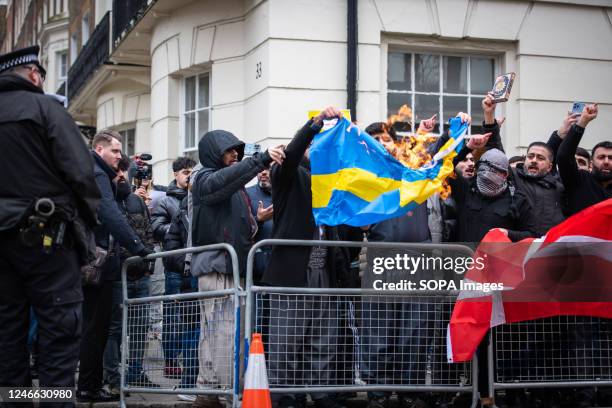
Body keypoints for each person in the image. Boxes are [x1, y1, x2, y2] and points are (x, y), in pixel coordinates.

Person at [0, 45, 100, 408]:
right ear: (33, 75)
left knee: (8, 339)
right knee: (58, 335)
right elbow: (81, 171)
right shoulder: (45, 110)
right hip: (46, 238)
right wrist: (86, 225)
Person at [261, 107, 349, 408]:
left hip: (323, 271)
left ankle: (321, 393)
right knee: (287, 340)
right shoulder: (288, 174)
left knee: (322, 339)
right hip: (292, 272)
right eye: (315, 146)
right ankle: (286, 395)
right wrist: (314, 125)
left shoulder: (331, 182)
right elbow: (294, 152)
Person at [190, 129, 284, 408]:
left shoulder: (233, 188)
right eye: (229, 151)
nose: (234, 155)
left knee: (217, 334)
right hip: (218, 268)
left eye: (236, 151)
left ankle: (209, 392)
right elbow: (223, 182)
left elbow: (235, 222)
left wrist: (255, 220)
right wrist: (261, 159)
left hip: (231, 269)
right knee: (222, 332)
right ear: (213, 154)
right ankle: (223, 392)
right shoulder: (203, 178)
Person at [77, 130, 153, 402]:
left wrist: (122, 175)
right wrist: (139, 247)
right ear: (99, 149)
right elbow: (109, 213)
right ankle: (88, 387)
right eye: (115, 152)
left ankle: (89, 385)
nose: (120, 157)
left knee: (95, 327)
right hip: (97, 263)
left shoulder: (99, 173)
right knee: (95, 328)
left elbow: (120, 196)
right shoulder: (97, 174)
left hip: (94, 261)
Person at [102, 155, 157, 394]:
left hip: (139, 276)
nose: (122, 175)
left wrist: (148, 265)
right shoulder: (105, 201)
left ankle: (135, 373)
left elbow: (147, 233)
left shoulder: (136, 201)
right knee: (114, 330)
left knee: (139, 327)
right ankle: (113, 379)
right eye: (118, 170)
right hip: (116, 276)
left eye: (126, 170)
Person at [151, 156, 195, 378]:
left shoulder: (198, 197)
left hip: (194, 266)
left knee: (192, 318)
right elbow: (156, 228)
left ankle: (189, 362)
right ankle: (170, 361)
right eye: (185, 172)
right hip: (175, 267)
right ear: (175, 175)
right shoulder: (166, 201)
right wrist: (178, 227)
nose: (189, 176)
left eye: (191, 172)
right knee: (173, 317)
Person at [557, 104, 611, 216]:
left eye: (611, 158)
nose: (606, 161)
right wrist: (583, 122)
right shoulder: (580, 179)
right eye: (601, 157)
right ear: (591, 163)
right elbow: (564, 157)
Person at [510, 142, 565, 237]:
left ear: (549, 167)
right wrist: (492, 128)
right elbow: (496, 161)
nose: (534, 160)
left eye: (540, 158)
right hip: (520, 245)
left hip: (550, 247)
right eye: (530, 156)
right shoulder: (514, 177)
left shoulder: (559, 189)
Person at [246, 167, 274, 282]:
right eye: (260, 169)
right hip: (258, 261)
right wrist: (259, 219)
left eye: (268, 169)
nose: (263, 172)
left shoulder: (286, 191)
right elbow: (243, 228)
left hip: (281, 259)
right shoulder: (247, 193)